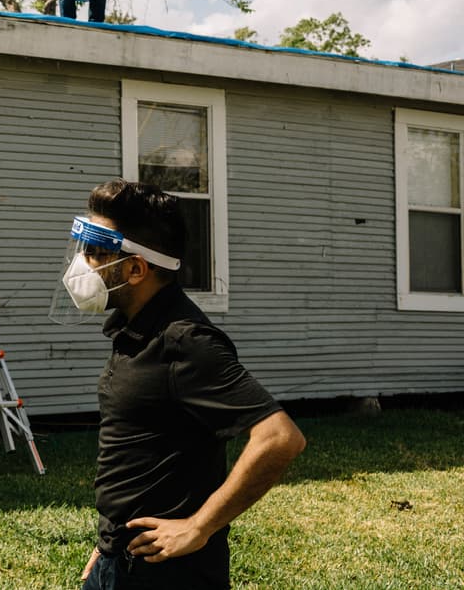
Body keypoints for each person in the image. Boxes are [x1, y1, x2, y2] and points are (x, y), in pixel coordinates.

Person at [57, 179, 306, 590]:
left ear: (136, 269)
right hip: (118, 560)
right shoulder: (133, 329)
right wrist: (107, 543)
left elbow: (281, 438)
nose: (82, 263)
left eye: (96, 252)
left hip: (166, 576)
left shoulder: (184, 341)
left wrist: (197, 527)